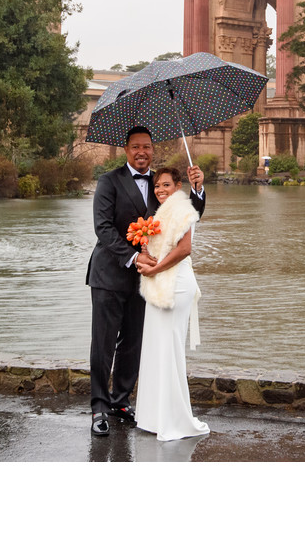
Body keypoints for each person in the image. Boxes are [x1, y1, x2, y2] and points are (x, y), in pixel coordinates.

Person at [86, 126, 205, 436]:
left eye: (147, 147)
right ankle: (99, 407)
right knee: (103, 344)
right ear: (127, 150)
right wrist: (134, 257)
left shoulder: (160, 184)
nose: (142, 152)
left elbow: (186, 216)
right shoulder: (108, 182)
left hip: (148, 280)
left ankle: (120, 400)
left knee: (133, 343)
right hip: (109, 275)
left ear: (153, 150)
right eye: (136, 147)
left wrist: (197, 190)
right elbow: (103, 228)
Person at [134, 167, 210, 441]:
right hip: (159, 284)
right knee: (156, 348)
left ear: (178, 186)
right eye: (157, 186)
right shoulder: (160, 213)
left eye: (166, 184)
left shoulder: (183, 210)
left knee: (169, 349)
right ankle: (155, 417)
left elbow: (184, 249)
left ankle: (175, 419)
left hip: (176, 284)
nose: (160, 189)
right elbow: (161, 248)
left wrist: (154, 270)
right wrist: (145, 250)